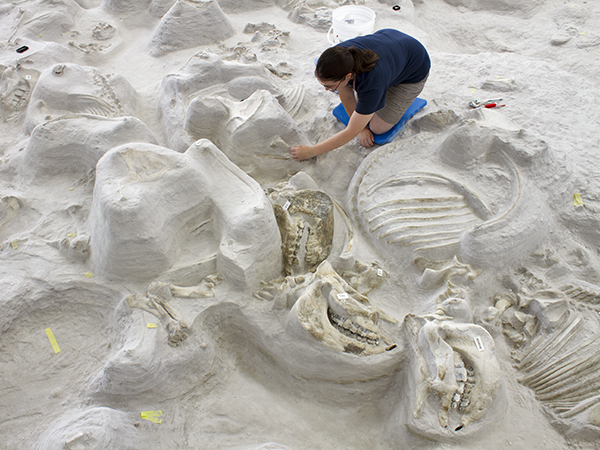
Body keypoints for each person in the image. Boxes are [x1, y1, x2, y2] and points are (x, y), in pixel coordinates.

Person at [290, 28, 430, 161]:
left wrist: (311, 151)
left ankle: (394, 93)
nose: (327, 89)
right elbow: (346, 95)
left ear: (348, 75)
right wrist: (362, 128)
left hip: (413, 71)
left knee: (377, 128)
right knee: (358, 102)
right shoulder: (339, 56)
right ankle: (378, 91)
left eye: (330, 86)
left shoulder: (372, 82)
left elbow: (351, 131)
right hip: (392, 44)